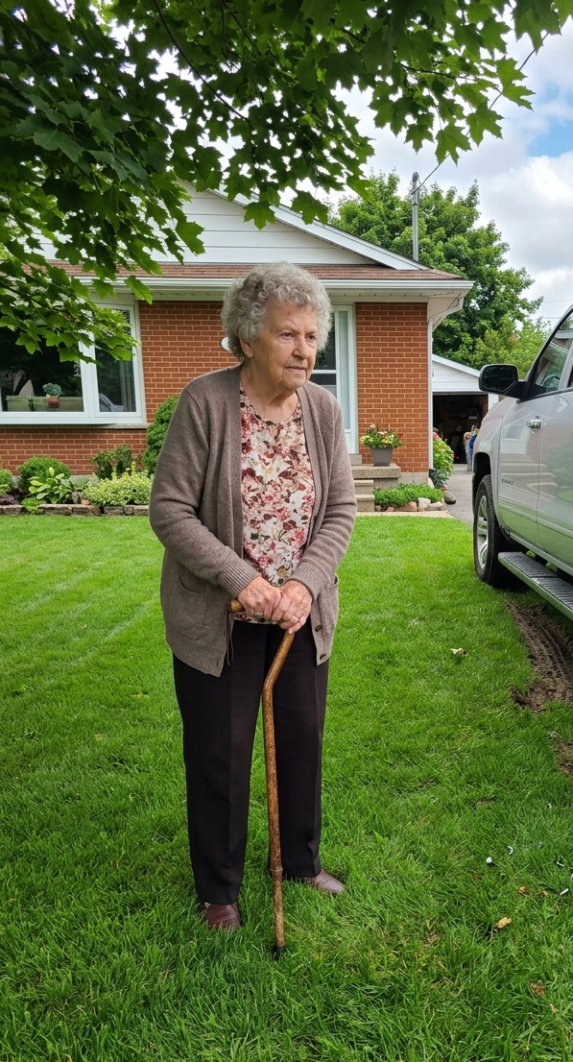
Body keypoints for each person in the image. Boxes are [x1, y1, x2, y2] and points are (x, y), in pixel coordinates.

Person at [149, 262, 357, 932]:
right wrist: (243, 580)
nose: (304, 350)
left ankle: (300, 861)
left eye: (312, 336)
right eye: (287, 335)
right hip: (221, 614)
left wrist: (302, 584)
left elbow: (341, 512)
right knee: (221, 749)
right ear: (246, 337)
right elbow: (170, 510)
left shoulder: (322, 410)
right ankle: (220, 889)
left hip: (297, 613)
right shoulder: (205, 402)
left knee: (301, 739)